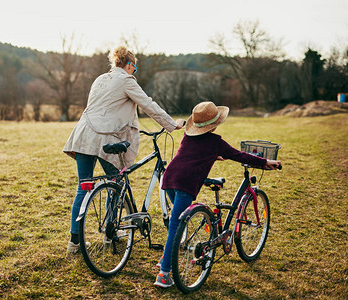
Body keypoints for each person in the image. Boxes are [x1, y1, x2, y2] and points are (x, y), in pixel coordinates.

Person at [63, 46, 185, 254]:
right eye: (134, 68)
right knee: (115, 183)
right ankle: (111, 232)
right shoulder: (127, 80)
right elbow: (148, 104)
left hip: (83, 135)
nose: (133, 72)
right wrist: (172, 125)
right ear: (129, 64)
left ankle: (74, 243)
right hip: (104, 137)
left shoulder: (100, 79)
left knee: (82, 187)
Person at [154, 101, 281, 288]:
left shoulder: (188, 138)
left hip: (170, 178)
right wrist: (264, 162)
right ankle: (163, 274)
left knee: (177, 222)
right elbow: (240, 156)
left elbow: (194, 153)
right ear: (215, 124)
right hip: (185, 183)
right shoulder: (215, 142)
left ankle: (166, 258)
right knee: (176, 225)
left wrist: (214, 154)